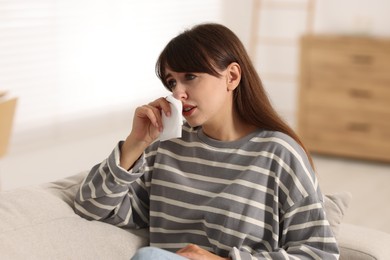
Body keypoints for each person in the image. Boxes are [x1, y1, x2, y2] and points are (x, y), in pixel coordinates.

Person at [74, 23, 339, 259]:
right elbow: (91, 207)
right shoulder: (166, 149)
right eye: (171, 82)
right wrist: (136, 142)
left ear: (232, 77)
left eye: (190, 76)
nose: (177, 93)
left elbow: (319, 253)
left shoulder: (279, 153)